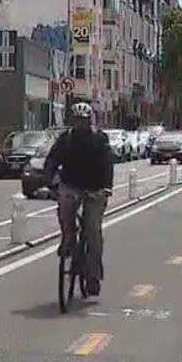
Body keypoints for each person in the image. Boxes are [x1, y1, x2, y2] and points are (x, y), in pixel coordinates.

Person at [43, 102, 114, 296]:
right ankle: (68, 238)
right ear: (72, 122)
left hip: (95, 188)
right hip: (71, 185)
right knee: (65, 208)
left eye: (84, 121)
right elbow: (52, 161)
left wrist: (107, 187)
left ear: (90, 121)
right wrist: (49, 182)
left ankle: (93, 277)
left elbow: (108, 164)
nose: (81, 125)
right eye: (77, 121)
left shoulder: (99, 140)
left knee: (92, 230)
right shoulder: (65, 140)